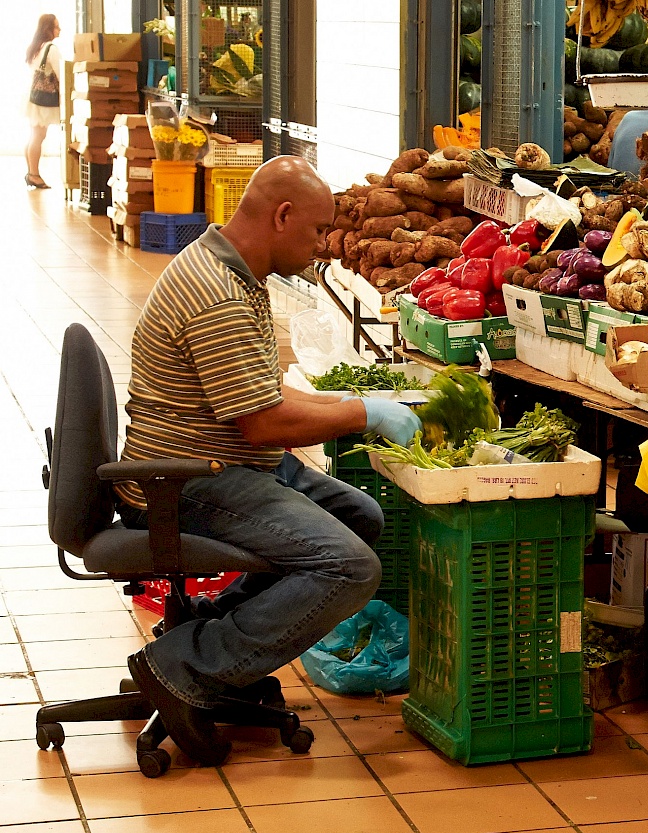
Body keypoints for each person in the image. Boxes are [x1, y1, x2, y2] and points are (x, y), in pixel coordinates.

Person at [116, 156, 421, 766]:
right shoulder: (216, 293)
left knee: (360, 517)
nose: (319, 249)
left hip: (221, 462)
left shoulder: (237, 270)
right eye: (314, 232)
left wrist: (347, 400)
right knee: (350, 568)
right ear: (281, 217)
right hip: (187, 482)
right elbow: (263, 423)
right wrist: (362, 414)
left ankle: (205, 633)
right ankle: (187, 666)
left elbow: (263, 390)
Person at [24, 14, 61, 189]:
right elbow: (62, 74)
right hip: (44, 101)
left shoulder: (35, 47)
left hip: (34, 97)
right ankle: (34, 174)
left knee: (34, 136)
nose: (59, 30)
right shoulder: (51, 49)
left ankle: (31, 171)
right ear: (48, 29)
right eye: (56, 26)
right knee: (38, 136)